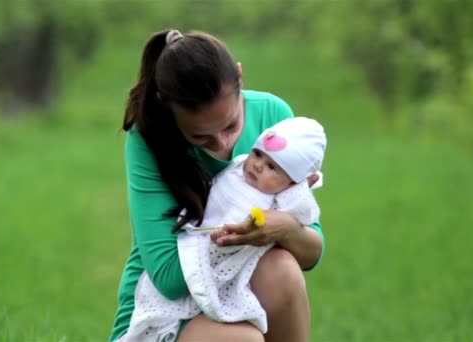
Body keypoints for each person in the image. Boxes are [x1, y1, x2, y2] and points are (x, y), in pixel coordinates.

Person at [109, 29, 325, 342]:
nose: (222, 142)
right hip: (167, 313)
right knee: (242, 340)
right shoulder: (150, 137)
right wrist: (241, 234)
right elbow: (168, 279)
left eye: (231, 125)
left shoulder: (273, 116)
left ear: (240, 76)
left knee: (283, 270)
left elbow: (311, 250)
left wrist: (284, 229)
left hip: (241, 290)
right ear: (168, 108)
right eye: (200, 137)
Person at [123, 117, 327, 341]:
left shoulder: (286, 195)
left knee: (283, 268)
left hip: (240, 274)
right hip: (197, 256)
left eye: (272, 167)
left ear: (291, 182)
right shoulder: (238, 168)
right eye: (258, 154)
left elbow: (307, 231)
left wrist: (287, 221)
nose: (258, 165)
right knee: (244, 338)